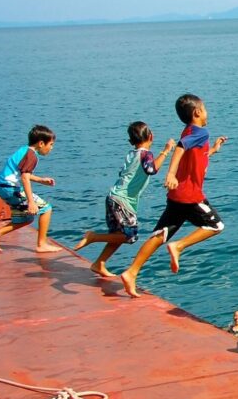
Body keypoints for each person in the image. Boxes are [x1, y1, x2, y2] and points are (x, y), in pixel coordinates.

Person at [119, 94, 228, 297]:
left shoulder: (190, 131)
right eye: (205, 109)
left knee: (160, 234)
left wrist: (213, 150)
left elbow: (193, 156)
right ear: (197, 113)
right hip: (190, 196)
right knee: (216, 226)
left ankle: (131, 272)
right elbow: (180, 148)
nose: (207, 113)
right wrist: (170, 173)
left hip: (177, 195)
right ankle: (179, 246)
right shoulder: (201, 132)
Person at [73, 122, 175, 277]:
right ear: (151, 136)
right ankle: (93, 237)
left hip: (113, 197)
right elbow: (151, 169)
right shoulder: (145, 154)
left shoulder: (131, 154)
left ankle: (99, 263)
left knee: (117, 235)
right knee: (130, 236)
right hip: (122, 201)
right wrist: (166, 151)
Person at [0, 125, 62, 254]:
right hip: (11, 189)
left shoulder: (24, 150)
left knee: (26, 219)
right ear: (41, 143)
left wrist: (41, 180)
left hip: (4, 188)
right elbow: (25, 178)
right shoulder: (32, 156)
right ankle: (41, 244)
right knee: (46, 209)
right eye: (51, 144)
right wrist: (31, 202)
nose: (52, 148)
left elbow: (22, 174)